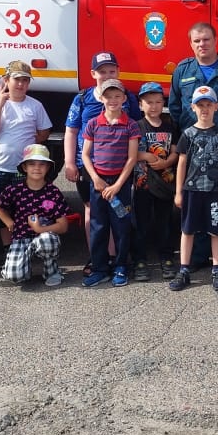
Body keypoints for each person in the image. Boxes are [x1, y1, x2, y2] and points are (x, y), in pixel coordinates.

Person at [63, 51, 141, 259]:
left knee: (118, 209)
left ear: (118, 72)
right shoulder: (82, 98)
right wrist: (70, 162)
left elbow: (136, 128)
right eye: (102, 71)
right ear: (93, 74)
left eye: (111, 71)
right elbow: (71, 131)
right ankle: (96, 257)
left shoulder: (127, 98)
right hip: (88, 165)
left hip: (118, 166)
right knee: (92, 209)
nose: (107, 75)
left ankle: (116, 256)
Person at [168, 86, 218, 292]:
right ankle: (184, 269)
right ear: (192, 108)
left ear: (216, 106)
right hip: (192, 191)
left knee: (216, 231)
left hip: (215, 192)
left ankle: (216, 268)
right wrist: (179, 192)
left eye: (208, 105)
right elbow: (181, 164)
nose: (204, 109)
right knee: (187, 231)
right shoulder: (188, 134)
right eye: (200, 105)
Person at [0, 60, 53, 252]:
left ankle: (24, 244)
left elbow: (44, 131)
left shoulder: (35, 105)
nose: (21, 84)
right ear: (6, 80)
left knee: (25, 208)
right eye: (17, 80)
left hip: (23, 168)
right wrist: (0, 104)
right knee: (1, 208)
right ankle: (8, 248)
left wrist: (32, 146)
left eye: (25, 80)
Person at [81, 79, 141, 288]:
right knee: (98, 226)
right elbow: (86, 155)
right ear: (101, 98)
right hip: (98, 184)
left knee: (121, 225)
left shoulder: (131, 125)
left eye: (117, 96)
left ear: (124, 99)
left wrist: (117, 185)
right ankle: (99, 268)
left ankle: (121, 266)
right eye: (109, 96)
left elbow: (132, 159)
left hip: (120, 184)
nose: (113, 100)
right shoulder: (93, 124)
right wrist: (96, 179)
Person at [0, 143, 74, 287]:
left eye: (42, 164)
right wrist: (9, 222)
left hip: (44, 236)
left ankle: (52, 271)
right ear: (24, 167)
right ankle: (21, 267)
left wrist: (39, 229)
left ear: (48, 167)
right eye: (32, 164)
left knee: (47, 241)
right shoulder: (15, 189)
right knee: (14, 276)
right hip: (21, 237)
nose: (37, 168)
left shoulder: (53, 192)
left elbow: (63, 226)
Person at [132, 82, 180, 282]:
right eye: (148, 102)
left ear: (163, 104)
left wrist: (168, 161)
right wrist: (148, 157)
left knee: (165, 222)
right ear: (141, 105)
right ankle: (140, 260)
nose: (153, 106)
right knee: (140, 223)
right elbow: (131, 152)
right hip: (142, 183)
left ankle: (167, 256)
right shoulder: (136, 126)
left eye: (158, 102)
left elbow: (177, 149)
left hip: (166, 183)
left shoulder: (170, 126)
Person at [169, 22, 218, 131]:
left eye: (206, 39)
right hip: (191, 139)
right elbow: (174, 107)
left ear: (215, 40)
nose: (201, 44)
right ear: (191, 44)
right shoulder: (182, 70)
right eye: (196, 41)